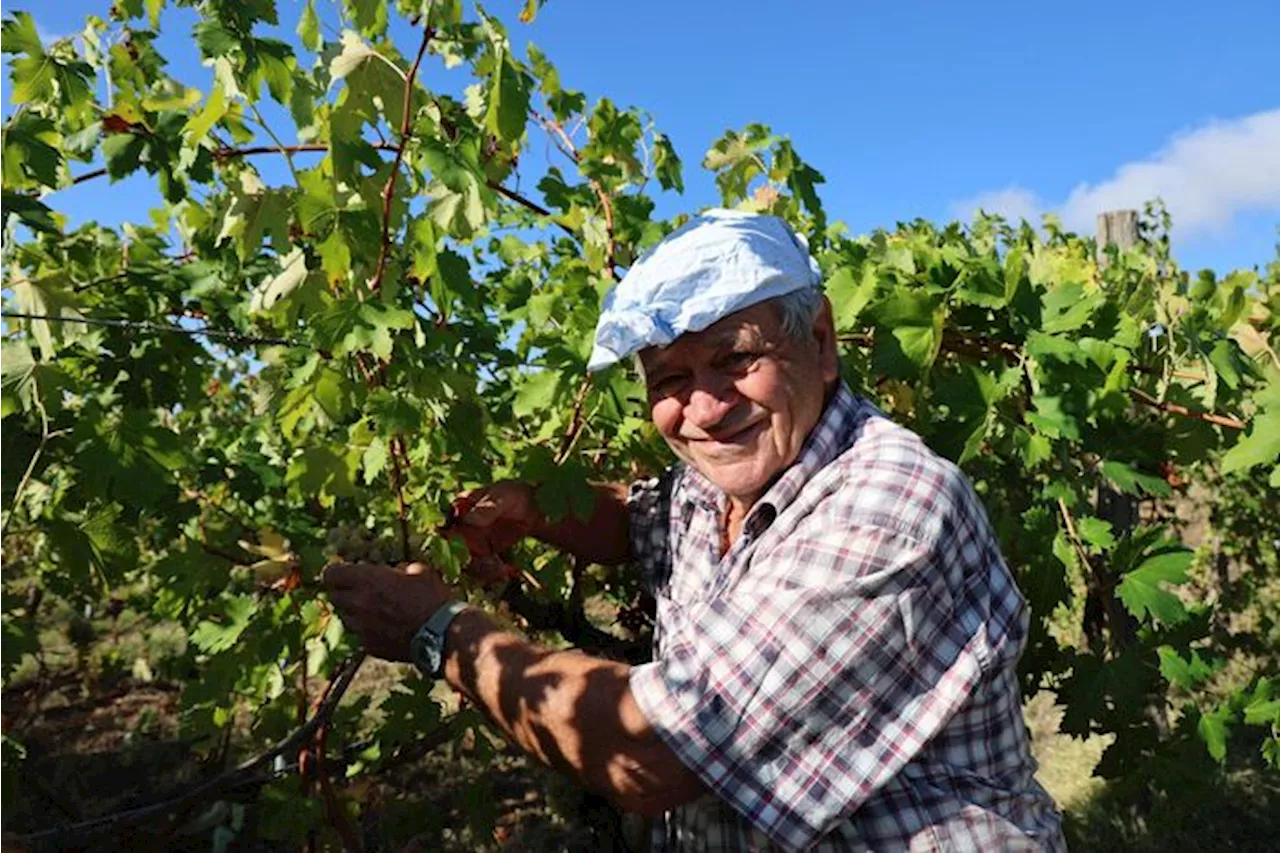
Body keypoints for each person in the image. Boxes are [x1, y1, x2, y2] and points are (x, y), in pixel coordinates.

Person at [323, 209, 1066, 851]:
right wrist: (531, 506)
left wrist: (439, 632)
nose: (705, 409)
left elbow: (648, 752)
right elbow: (644, 522)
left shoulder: (889, 504)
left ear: (821, 340)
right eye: (670, 380)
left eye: (735, 358)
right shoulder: (731, 478)